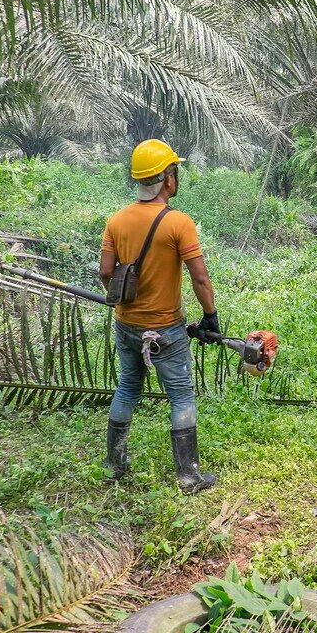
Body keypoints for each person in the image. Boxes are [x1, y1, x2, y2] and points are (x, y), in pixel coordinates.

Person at [99, 139, 221, 493]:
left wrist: (128, 298)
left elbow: (106, 272)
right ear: (168, 178)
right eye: (175, 171)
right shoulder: (178, 223)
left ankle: (114, 464)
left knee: (127, 387)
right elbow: (199, 277)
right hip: (165, 329)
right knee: (181, 396)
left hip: (126, 325)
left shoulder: (116, 221)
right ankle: (188, 476)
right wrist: (210, 315)